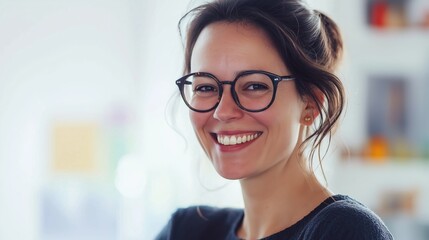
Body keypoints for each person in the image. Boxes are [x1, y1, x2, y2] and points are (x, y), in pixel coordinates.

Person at [157, 0, 394, 239]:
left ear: (311, 102)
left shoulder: (345, 231)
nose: (223, 111)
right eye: (206, 87)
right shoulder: (186, 230)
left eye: (254, 85)